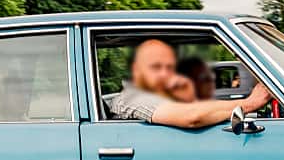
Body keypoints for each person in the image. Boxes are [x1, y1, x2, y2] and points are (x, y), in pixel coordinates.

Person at [110, 38, 268, 128]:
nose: (165, 73)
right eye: (156, 66)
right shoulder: (136, 96)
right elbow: (192, 117)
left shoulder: (153, 93)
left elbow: (196, 108)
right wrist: (250, 104)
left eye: (169, 67)